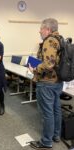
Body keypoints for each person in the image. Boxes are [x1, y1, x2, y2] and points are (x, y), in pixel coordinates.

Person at [29, 18, 63, 149]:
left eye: (41, 28)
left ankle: (46, 141)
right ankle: (55, 135)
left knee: (47, 112)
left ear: (48, 29)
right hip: (57, 81)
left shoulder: (49, 40)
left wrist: (35, 69)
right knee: (56, 110)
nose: (39, 31)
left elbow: (49, 63)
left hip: (47, 82)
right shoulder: (60, 39)